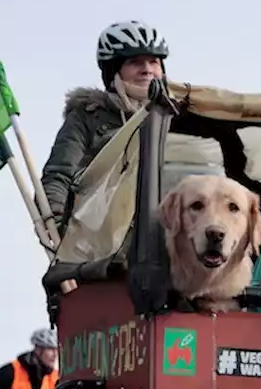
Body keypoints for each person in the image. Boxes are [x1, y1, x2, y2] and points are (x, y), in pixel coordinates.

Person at [40, 20, 169, 232]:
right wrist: (56, 219)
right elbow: (58, 176)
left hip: (167, 236)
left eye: (154, 62)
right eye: (135, 62)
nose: (147, 70)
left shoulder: (177, 117)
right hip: (103, 238)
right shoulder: (87, 117)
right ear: (113, 71)